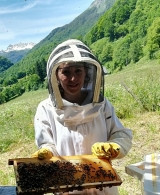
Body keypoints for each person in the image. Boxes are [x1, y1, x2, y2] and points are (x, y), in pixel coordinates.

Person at [32, 39, 132, 195]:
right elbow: (47, 144)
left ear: (87, 72)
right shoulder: (45, 109)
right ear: (56, 75)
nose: (73, 78)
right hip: (68, 189)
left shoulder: (102, 104)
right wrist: (47, 152)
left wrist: (114, 147)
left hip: (103, 188)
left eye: (78, 70)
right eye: (66, 72)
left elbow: (120, 135)